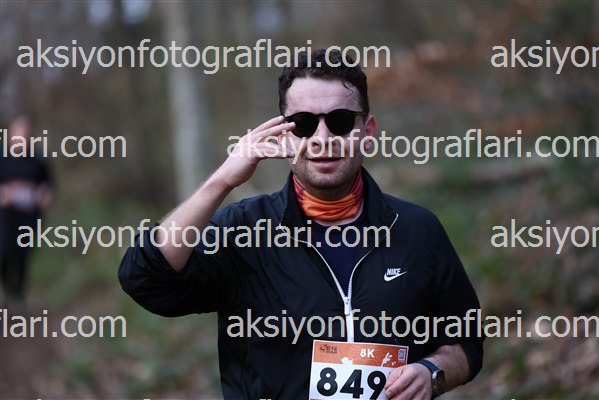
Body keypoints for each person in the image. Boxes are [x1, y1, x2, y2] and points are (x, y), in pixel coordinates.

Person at [119, 49, 483, 399]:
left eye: (340, 122)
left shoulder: (418, 230)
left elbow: (466, 343)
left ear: (367, 131)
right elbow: (144, 278)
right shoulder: (243, 232)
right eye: (305, 124)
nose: (322, 139)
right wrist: (222, 181)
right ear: (284, 135)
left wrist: (431, 373)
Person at [0, 115, 53, 308]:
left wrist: (44, 195)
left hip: (29, 220)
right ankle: (7, 289)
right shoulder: (3, 161)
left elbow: (48, 186)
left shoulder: (37, 162)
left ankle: (18, 296)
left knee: (22, 258)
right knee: (4, 255)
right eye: (19, 134)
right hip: (5, 219)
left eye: (26, 134)